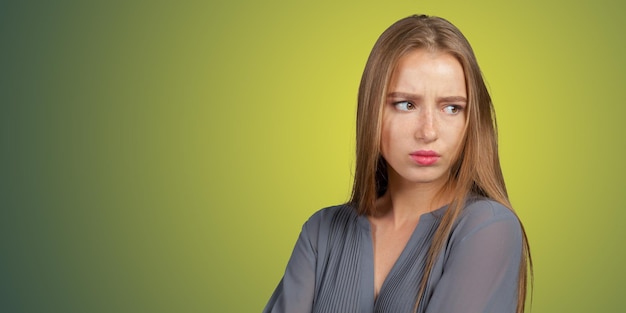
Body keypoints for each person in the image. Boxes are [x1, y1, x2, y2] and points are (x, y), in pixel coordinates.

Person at [263, 14, 532, 313]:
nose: (428, 131)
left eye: (452, 107)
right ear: (372, 111)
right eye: (406, 104)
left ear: (472, 121)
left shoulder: (488, 227)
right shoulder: (321, 231)